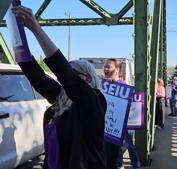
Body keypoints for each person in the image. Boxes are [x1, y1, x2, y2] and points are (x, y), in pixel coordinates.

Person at [12, 6, 107, 169]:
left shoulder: (95, 101)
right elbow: (37, 77)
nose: (67, 76)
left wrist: (36, 28)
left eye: (73, 71)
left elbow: (66, 76)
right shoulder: (61, 99)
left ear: (87, 78)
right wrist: (16, 34)